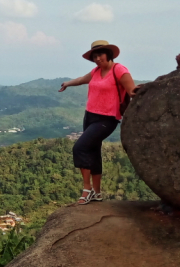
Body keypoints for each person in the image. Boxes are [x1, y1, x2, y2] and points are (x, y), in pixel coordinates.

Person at [58, 40, 138, 204]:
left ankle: (87, 190)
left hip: (107, 118)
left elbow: (132, 90)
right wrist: (67, 83)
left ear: (108, 54)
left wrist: (144, 91)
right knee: (93, 152)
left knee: (80, 148)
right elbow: (82, 79)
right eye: (94, 56)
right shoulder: (96, 71)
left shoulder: (119, 70)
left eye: (100, 54)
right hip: (90, 116)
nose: (97, 58)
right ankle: (97, 192)